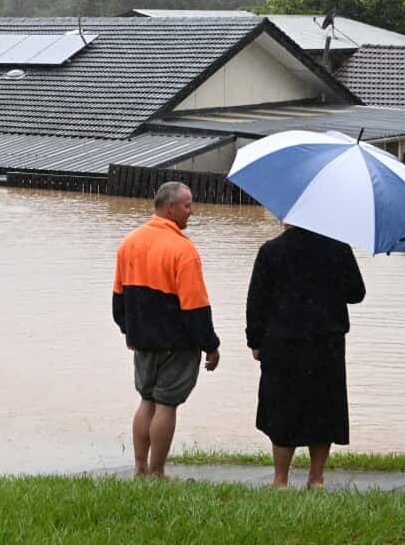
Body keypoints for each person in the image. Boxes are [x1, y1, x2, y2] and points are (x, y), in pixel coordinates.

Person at [112, 182, 220, 479]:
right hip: (177, 342)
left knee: (146, 399)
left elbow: (118, 300)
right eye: (187, 205)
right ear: (170, 207)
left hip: (142, 340)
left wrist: (129, 333)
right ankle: (158, 472)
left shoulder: (129, 243)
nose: (192, 211)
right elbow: (195, 307)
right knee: (166, 403)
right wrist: (210, 345)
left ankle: (139, 468)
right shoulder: (183, 250)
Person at [245, 223, 365, 490]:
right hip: (326, 343)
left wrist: (254, 340)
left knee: (282, 409)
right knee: (324, 409)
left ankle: (280, 480)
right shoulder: (338, 248)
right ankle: (317, 478)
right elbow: (357, 294)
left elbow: (257, 301)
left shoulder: (272, 250)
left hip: (283, 342)